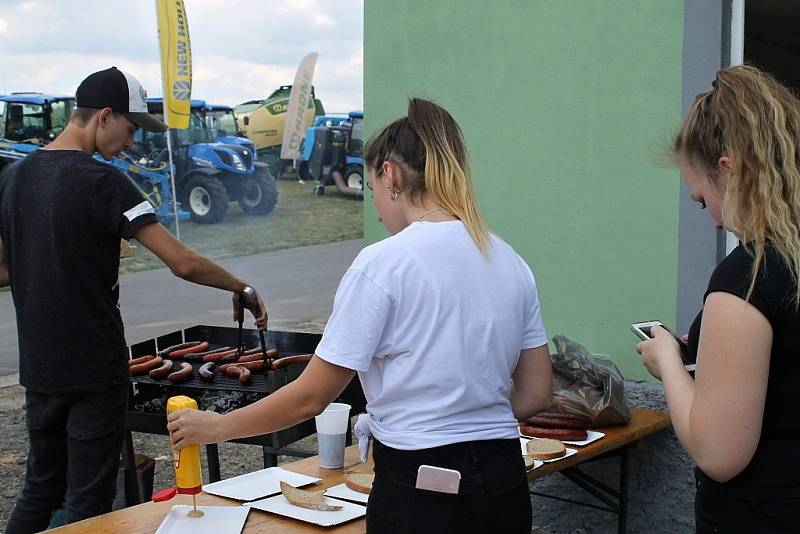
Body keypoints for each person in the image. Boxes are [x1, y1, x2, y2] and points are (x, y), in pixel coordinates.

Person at [167, 98, 552, 533]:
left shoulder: (383, 264)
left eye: (373, 193)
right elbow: (536, 392)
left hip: (422, 488)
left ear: (391, 175)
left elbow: (311, 397)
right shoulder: (507, 259)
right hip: (505, 479)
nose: (378, 211)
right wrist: (474, 417)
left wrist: (218, 427)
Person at [0, 66, 267, 534]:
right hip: (94, 368)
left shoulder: (13, 176)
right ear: (104, 116)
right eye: (130, 129)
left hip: (39, 368)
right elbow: (181, 261)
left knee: (39, 488)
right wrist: (239, 286)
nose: (130, 143)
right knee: (89, 500)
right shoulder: (105, 183)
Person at [637, 65, 800, 533]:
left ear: (727, 169)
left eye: (700, 198)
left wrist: (669, 359)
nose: (712, 220)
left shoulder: (747, 278)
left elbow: (719, 454)